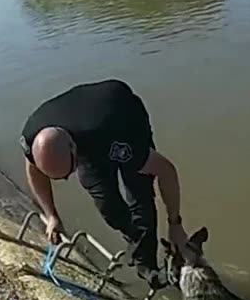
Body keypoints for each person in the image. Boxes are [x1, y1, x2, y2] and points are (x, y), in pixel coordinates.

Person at [20, 79, 188, 287]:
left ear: (74, 149)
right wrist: (51, 214)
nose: (67, 179)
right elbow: (34, 169)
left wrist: (175, 224)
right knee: (108, 206)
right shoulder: (32, 134)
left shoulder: (115, 142)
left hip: (124, 117)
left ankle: (148, 267)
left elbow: (166, 170)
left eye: (69, 171)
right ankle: (137, 242)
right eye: (59, 177)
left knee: (138, 192)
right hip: (84, 125)